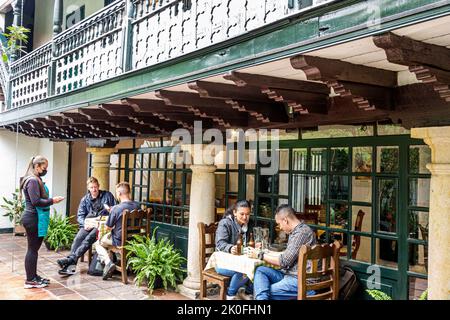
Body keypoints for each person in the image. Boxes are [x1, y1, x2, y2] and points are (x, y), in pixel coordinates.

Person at [250, 204, 316, 300]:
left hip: (301, 281)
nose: (280, 227)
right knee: (260, 270)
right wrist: (267, 253)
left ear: (285, 220)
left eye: (279, 224)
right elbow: (288, 256)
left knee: (262, 292)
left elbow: (284, 261)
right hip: (291, 275)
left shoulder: (301, 233)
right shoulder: (297, 231)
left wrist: (260, 255)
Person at [20, 155, 65, 288]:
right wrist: (53, 200)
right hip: (33, 218)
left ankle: (33, 276)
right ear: (37, 166)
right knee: (32, 249)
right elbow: (36, 201)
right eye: (44, 168)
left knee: (34, 249)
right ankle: (30, 280)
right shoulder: (33, 180)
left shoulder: (34, 178)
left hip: (34, 217)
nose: (46, 170)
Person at [57, 177, 116, 275]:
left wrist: (110, 210)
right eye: (92, 187)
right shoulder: (85, 199)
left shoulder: (107, 196)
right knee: (78, 238)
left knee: (88, 238)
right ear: (88, 188)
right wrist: (84, 224)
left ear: (99, 186)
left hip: (102, 226)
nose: (94, 189)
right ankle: (71, 266)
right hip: (89, 224)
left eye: (96, 187)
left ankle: (70, 262)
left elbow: (115, 209)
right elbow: (80, 216)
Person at [94, 181, 140, 280]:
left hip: (120, 241)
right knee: (107, 240)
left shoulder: (116, 208)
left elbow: (108, 228)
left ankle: (108, 263)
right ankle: (112, 265)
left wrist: (112, 214)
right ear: (128, 192)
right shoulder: (137, 206)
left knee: (98, 243)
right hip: (135, 239)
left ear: (119, 193)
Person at [215, 200, 254, 300]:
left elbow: (251, 241)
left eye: (247, 214)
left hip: (242, 261)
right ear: (234, 213)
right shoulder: (225, 223)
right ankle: (230, 295)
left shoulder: (249, 224)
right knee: (243, 270)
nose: (245, 217)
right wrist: (230, 248)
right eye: (242, 214)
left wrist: (256, 244)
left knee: (257, 268)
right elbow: (220, 243)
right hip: (222, 263)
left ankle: (247, 291)